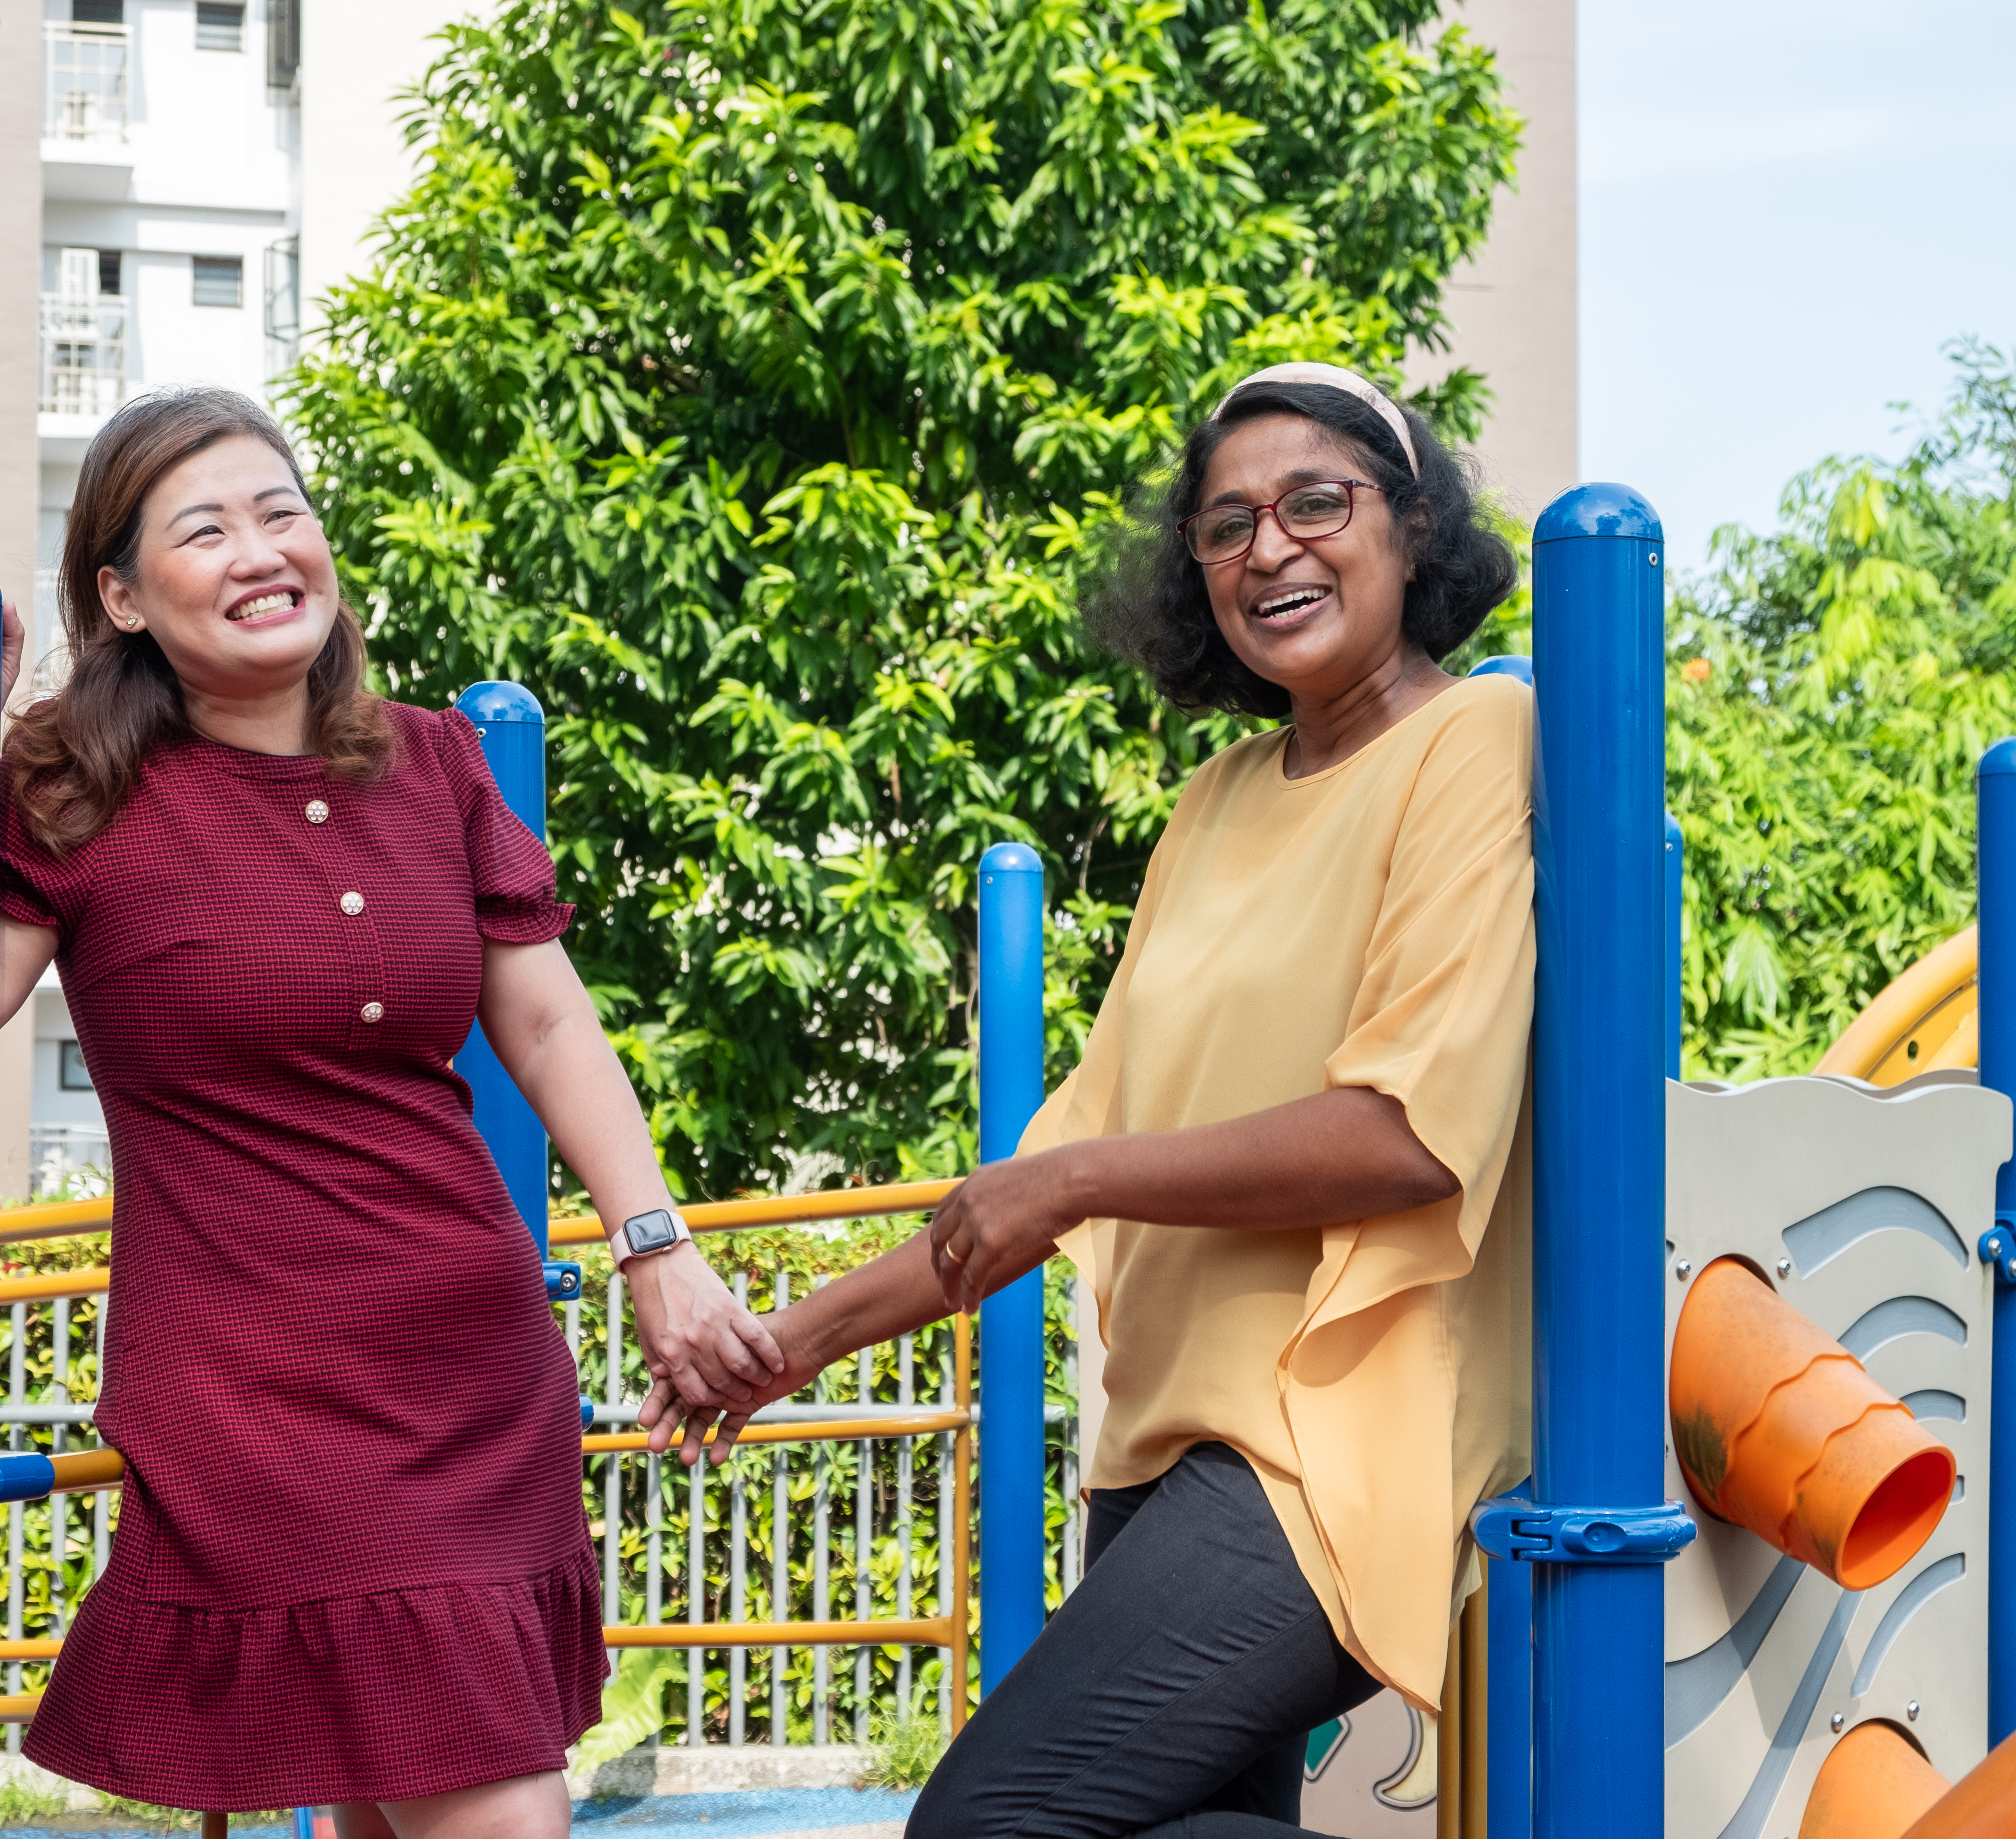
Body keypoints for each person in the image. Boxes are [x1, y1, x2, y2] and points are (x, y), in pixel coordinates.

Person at [0, 387, 780, 1838]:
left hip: (477, 1376)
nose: (259, 550)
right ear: (122, 597)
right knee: (498, 1815)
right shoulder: (72, 786)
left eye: (281, 511)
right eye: (203, 530)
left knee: (390, 1811)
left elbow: (544, 1021)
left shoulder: (434, 761)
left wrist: (655, 1242)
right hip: (260, 1398)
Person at [647, 363, 1535, 1839]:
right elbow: (1056, 1158)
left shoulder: (1473, 742)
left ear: (1416, 529)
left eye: (1318, 501)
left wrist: (1077, 1184)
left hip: (1328, 1442)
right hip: (1163, 1439)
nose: (1270, 548)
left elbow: (1407, 1134)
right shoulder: (1220, 800)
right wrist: (789, 1344)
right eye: (1226, 524)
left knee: (990, 1826)